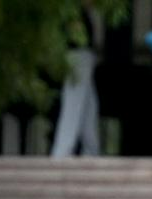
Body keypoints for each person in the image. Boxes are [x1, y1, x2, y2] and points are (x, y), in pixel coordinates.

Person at [50, 5, 100, 158]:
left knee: (89, 107)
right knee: (74, 103)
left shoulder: (78, 11)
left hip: (82, 55)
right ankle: (62, 152)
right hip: (77, 56)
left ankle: (91, 152)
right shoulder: (73, 11)